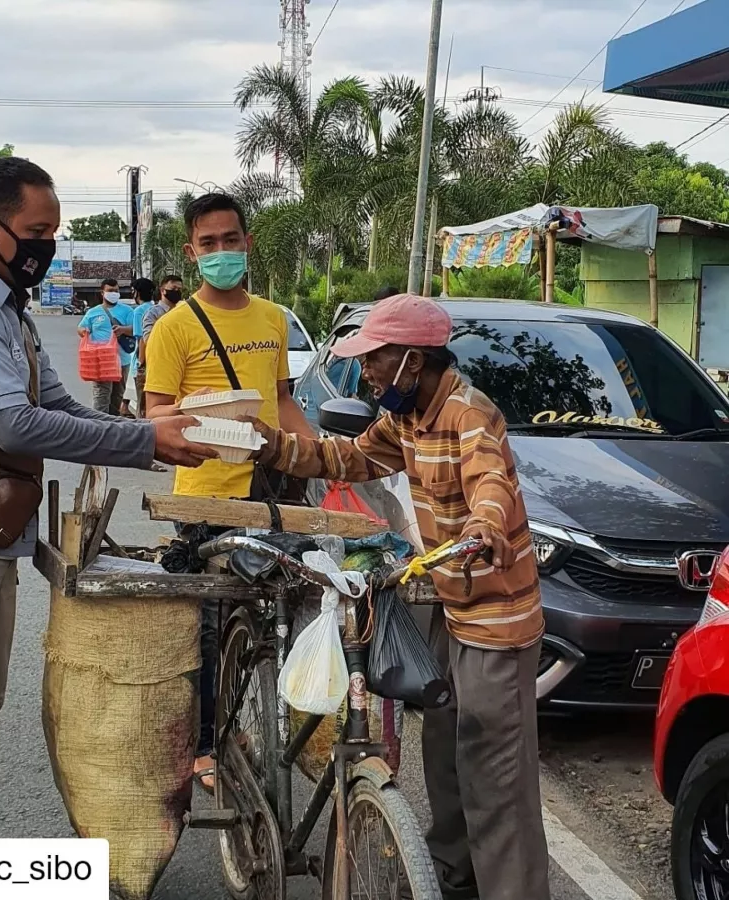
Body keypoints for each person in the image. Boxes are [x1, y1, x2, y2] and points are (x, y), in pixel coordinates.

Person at [0, 156, 215, 840]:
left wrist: (144, 435)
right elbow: (13, 424)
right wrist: (145, 441)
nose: (48, 247)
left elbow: (56, 405)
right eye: (38, 231)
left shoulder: (8, 306)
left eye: (55, 232)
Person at [245, 293, 550, 900]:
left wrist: (485, 525)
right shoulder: (405, 417)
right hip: (443, 601)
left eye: (376, 360)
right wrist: (276, 447)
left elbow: (489, 479)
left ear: (414, 360)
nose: (366, 374)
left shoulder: (469, 414)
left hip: (493, 617)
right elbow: (351, 458)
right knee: (445, 756)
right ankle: (451, 879)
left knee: (494, 775)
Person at [144, 192, 313, 792]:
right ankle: (206, 745)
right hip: (205, 498)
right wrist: (216, 421)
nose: (221, 251)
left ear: (248, 243)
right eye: (208, 244)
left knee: (278, 614)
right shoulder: (173, 327)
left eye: (230, 240)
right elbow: (157, 414)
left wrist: (314, 456)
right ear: (191, 253)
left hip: (270, 491)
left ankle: (267, 717)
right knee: (211, 627)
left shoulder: (273, 317)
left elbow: (284, 399)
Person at [77, 278, 134, 416]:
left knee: (117, 395)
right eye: (110, 291)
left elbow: (135, 329)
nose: (113, 293)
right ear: (102, 293)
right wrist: (83, 331)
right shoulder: (93, 312)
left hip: (122, 361)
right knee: (101, 395)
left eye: (116, 291)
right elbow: (81, 327)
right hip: (101, 361)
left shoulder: (127, 310)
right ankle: (99, 424)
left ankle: (113, 424)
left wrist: (123, 329)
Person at [137, 273, 183, 414]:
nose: (177, 292)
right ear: (163, 290)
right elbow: (149, 340)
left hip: (178, 368)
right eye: (173, 288)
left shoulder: (184, 312)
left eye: (180, 289)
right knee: (150, 412)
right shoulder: (152, 313)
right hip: (154, 368)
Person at [128, 277, 156, 417]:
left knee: (142, 406)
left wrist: (140, 364)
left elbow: (141, 339)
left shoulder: (139, 311)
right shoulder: (156, 308)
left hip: (144, 362)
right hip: (156, 360)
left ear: (137, 293)